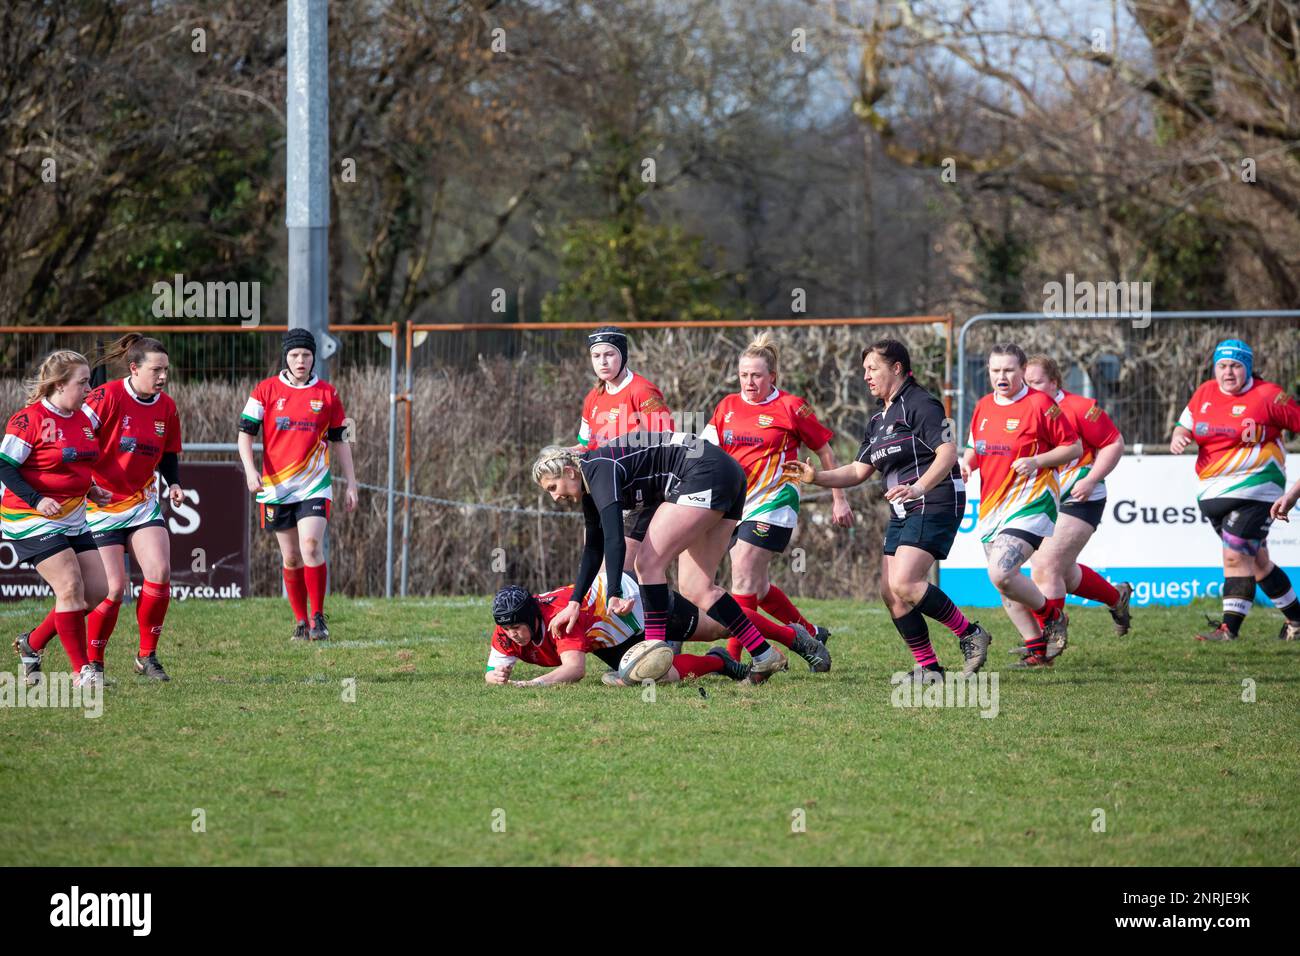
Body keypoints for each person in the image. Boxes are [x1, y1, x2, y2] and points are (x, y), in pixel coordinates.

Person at [784, 339, 992, 682]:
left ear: (897, 368)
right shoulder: (879, 418)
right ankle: (929, 668)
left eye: (872, 368)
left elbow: (947, 452)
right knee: (889, 591)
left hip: (934, 498)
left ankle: (969, 633)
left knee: (906, 582)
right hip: (904, 507)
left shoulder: (921, 403)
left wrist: (919, 486)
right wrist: (816, 477)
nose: (866, 376)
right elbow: (857, 471)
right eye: (864, 369)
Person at [532, 431, 788, 683]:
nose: (555, 497)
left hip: (705, 472)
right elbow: (593, 550)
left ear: (569, 471)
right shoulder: (590, 481)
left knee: (647, 563)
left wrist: (614, 593)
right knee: (697, 588)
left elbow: (614, 538)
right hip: (725, 472)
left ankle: (653, 654)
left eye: (553, 487)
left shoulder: (599, 468)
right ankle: (764, 654)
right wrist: (575, 603)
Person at [14, 334, 184, 682]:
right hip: (98, 506)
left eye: (166, 370)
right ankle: (90, 661)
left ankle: (146, 657)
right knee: (110, 589)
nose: (163, 376)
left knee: (160, 571)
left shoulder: (166, 406)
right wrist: (80, 485)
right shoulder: (105, 397)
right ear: (134, 368)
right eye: (156, 369)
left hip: (140, 502)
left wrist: (175, 482)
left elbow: (168, 453)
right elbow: (71, 434)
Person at [702, 333, 843, 671]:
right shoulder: (727, 407)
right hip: (737, 504)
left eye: (757, 375)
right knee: (759, 588)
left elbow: (824, 449)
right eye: (743, 375)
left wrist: (839, 499)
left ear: (772, 377)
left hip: (776, 501)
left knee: (743, 580)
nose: (749, 382)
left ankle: (734, 658)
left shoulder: (791, 406)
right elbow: (707, 451)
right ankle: (808, 634)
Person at [995, 354, 1132, 659]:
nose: (1030, 387)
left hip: (1080, 496)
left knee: (1046, 565)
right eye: (1026, 382)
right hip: (1040, 499)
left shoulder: (1082, 408)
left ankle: (1047, 643)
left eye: (1037, 382)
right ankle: (1116, 596)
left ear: (1054, 382)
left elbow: (1114, 443)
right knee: (1063, 573)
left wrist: (1092, 478)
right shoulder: (1023, 410)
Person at [961, 343, 1082, 668]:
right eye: (995, 370)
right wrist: (967, 462)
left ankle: (1052, 616)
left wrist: (1038, 460)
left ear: (1022, 370)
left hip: (1032, 501)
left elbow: (1074, 447)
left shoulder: (1040, 403)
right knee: (1005, 586)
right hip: (992, 506)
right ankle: (1037, 651)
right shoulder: (984, 405)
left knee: (1001, 572)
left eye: (1009, 370)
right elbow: (975, 445)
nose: (1002, 376)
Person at [1171, 339, 1300, 642]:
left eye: (1236, 366)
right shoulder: (1205, 392)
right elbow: (1183, 424)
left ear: (1249, 367)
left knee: (1234, 556)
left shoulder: (1269, 396)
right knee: (1257, 564)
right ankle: (1297, 618)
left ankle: (1229, 630)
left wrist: (1293, 493)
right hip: (1213, 491)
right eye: (1223, 366)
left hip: (1257, 489)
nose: (1228, 372)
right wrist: (1180, 437)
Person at [238, 329, 358, 641]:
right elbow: (245, 435)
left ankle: (319, 618)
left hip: (314, 485)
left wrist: (351, 483)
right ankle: (301, 622)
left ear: (313, 357)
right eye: (294, 355)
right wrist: (251, 471)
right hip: (276, 487)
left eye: (305, 355)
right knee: (291, 557)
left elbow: (341, 441)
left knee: (311, 547)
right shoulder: (265, 390)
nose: (300, 360)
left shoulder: (327, 394)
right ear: (286, 358)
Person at [4, 350, 112, 688]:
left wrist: (91, 489)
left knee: (96, 591)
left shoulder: (81, 418)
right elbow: (5, 465)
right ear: (59, 384)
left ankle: (32, 643)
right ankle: (83, 673)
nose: (88, 389)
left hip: (73, 515)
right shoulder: (29, 419)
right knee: (69, 587)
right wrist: (37, 499)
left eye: (88, 382)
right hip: (30, 516)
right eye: (82, 383)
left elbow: (76, 464)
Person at [485, 575, 755, 687]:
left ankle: (786, 635)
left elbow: (574, 670)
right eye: (507, 629)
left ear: (533, 618)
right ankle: (718, 661)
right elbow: (490, 671)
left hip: (631, 605)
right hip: (607, 636)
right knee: (651, 676)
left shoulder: (559, 620)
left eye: (516, 628)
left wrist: (531, 684)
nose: (512, 634)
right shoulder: (506, 630)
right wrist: (494, 676)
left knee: (717, 627)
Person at [577, 326, 675, 569]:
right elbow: (586, 446)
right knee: (604, 566)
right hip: (608, 491)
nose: (603, 362)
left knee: (619, 568)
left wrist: (623, 444)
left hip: (641, 492)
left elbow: (665, 439)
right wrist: (559, 454)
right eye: (596, 356)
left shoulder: (641, 390)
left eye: (609, 354)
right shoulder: (593, 398)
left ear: (623, 355)